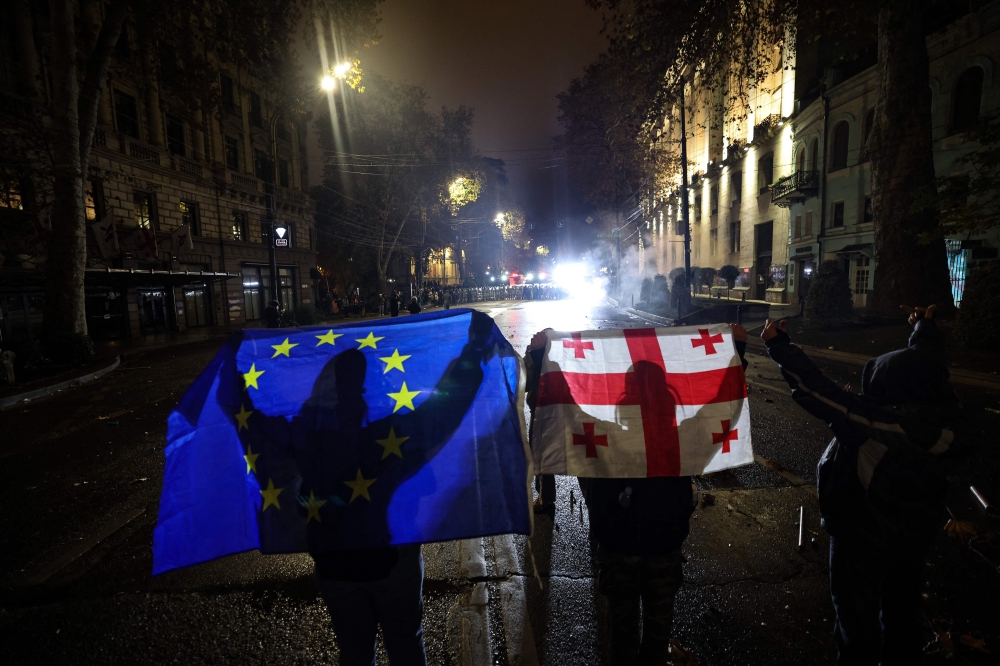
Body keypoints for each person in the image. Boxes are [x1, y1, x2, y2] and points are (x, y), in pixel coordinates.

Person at [523, 324, 749, 665]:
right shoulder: (684, 438)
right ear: (665, 393)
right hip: (664, 546)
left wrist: (541, 356)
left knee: (622, 634)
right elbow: (722, 405)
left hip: (618, 547)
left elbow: (565, 407)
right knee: (657, 639)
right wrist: (737, 352)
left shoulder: (607, 437)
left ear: (625, 396)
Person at [761, 305, 960, 666]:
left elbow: (817, 391)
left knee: (855, 625)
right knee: (901, 615)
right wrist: (924, 333)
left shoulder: (873, 426)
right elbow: (930, 368)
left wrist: (779, 346)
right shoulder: (942, 421)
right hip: (912, 536)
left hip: (861, 538)